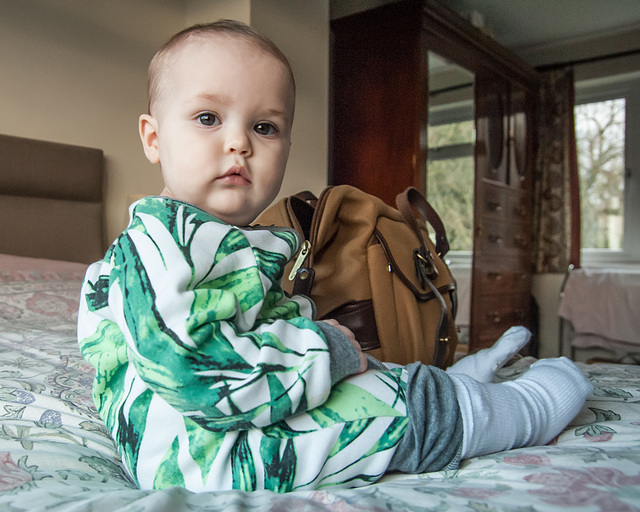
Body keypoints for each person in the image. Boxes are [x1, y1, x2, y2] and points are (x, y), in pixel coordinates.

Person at [77, 20, 592, 494]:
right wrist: (329, 350)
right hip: (210, 455)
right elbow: (195, 371)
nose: (238, 142)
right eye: (208, 118)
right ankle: (520, 411)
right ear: (153, 138)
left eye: (265, 127)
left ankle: (452, 385)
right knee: (404, 411)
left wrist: (328, 352)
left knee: (373, 375)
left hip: (232, 418)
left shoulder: (215, 240)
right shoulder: (157, 248)